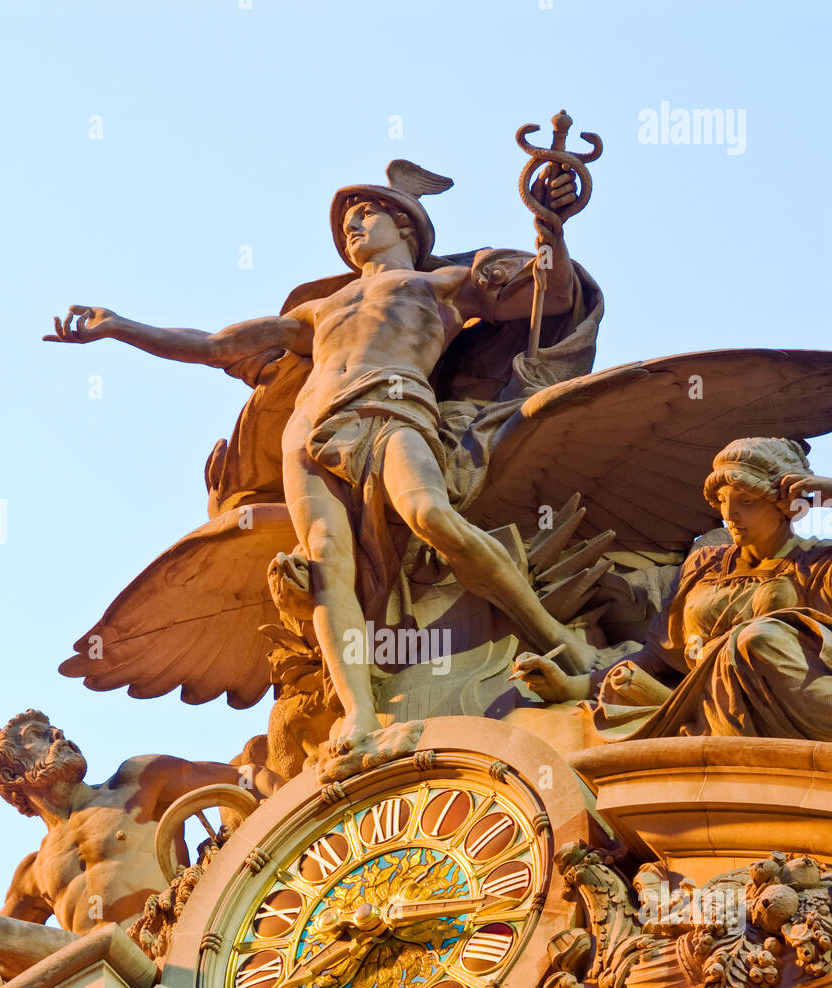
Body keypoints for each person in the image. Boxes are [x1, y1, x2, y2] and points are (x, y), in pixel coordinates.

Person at [45, 163, 591, 771]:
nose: (353, 227)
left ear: (404, 224)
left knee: (430, 514)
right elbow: (214, 345)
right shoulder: (319, 309)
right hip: (309, 428)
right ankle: (358, 711)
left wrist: (551, 228)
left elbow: (553, 294)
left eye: (365, 214)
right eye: (345, 222)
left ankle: (556, 637)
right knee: (326, 561)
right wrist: (119, 327)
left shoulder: (443, 286)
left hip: (392, 403)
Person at [512, 437, 832, 740]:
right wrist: (571, 686)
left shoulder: (818, 564)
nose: (729, 515)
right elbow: (659, 658)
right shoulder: (704, 564)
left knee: (758, 638)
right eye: (722, 501)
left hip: (795, 710)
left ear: (788, 506)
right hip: (706, 707)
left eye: (746, 501)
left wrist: (829, 494)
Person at [0, 710, 280, 988]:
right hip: (97, 978)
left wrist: (309, 801)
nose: (57, 734)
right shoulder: (33, 871)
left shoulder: (135, 781)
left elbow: (246, 777)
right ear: (11, 773)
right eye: (39, 735)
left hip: (163, 944)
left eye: (53, 729)